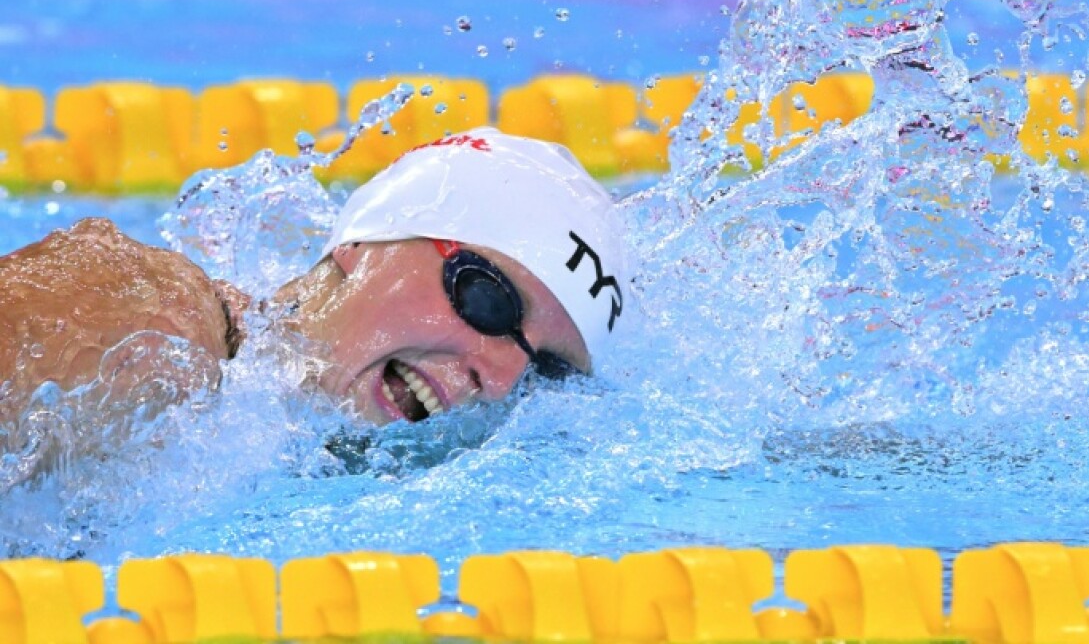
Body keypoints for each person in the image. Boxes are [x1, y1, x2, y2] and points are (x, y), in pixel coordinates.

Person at [0, 128, 630, 427]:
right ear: (364, 243)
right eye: (488, 299)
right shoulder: (148, 328)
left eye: (546, 372)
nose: (499, 378)